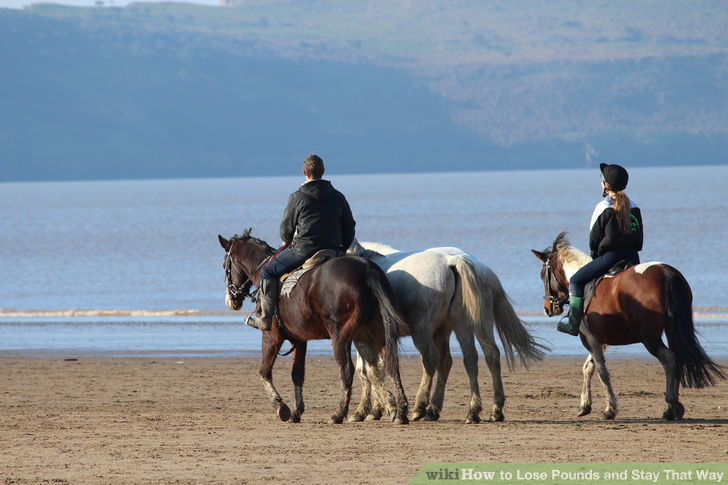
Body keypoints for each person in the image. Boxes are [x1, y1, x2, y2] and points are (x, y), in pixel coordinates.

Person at [246, 154, 356, 331]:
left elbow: (286, 231)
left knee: (268, 272)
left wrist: (287, 239)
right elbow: (349, 226)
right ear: (323, 172)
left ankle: (265, 319)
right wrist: (342, 248)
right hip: (333, 249)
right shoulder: (338, 196)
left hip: (303, 251)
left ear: (304, 172)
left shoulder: (297, 197)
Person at [558, 163, 643, 336]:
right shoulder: (634, 207)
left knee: (576, 280)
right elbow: (639, 238)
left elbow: (594, 241)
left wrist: (595, 259)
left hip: (610, 257)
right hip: (634, 258)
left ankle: (573, 323)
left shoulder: (603, 207)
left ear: (605, 184)